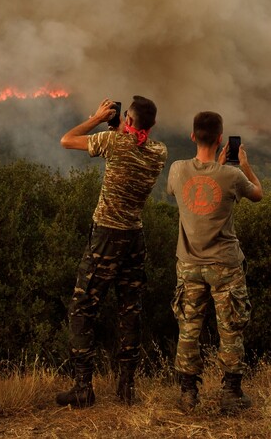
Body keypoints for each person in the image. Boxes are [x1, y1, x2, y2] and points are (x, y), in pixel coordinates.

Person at [56, 96, 167, 408]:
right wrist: (122, 124)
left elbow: (67, 140)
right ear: (152, 125)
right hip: (135, 237)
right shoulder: (159, 152)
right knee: (130, 310)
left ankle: (82, 388)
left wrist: (95, 118)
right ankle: (126, 388)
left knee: (82, 309)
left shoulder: (112, 143)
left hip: (106, 235)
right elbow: (136, 139)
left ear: (128, 122)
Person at [166, 112, 263, 413]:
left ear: (193, 136)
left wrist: (214, 169)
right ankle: (231, 395)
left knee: (188, 329)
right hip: (225, 265)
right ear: (221, 139)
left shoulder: (178, 170)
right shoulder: (233, 176)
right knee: (231, 329)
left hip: (189, 263)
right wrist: (244, 165)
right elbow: (258, 195)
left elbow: (189, 191)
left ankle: (187, 394)